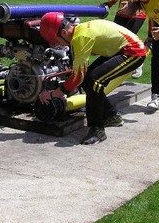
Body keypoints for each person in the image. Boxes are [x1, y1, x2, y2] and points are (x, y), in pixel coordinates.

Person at [38, 13, 146, 145]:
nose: (57, 44)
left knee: (95, 81)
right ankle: (112, 116)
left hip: (133, 52)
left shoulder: (81, 37)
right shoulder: (79, 32)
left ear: (65, 32)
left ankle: (97, 129)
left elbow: (77, 77)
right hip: (120, 50)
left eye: (56, 40)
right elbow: (80, 74)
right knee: (88, 79)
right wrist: (63, 90)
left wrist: (53, 94)